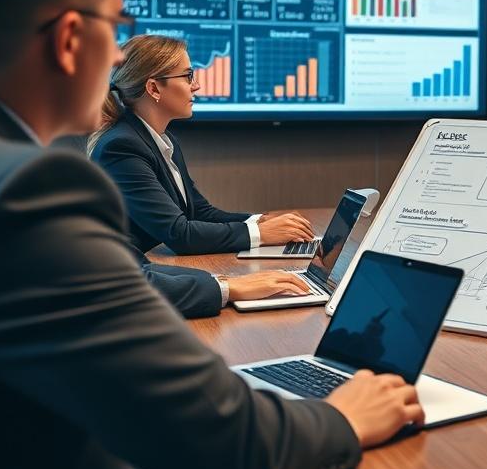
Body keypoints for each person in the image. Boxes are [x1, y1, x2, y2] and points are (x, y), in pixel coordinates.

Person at [0, 0, 423, 469]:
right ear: (71, 39)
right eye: (117, 22)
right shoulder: (23, 195)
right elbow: (224, 444)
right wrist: (343, 415)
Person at [85, 34, 315, 317]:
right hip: (128, 284)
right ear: (154, 88)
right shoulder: (122, 147)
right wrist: (259, 235)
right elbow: (179, 233)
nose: (197, 85)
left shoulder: (161, 140)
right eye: (187, 75)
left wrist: (257, 221)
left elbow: (198, 211)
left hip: (145, 274)